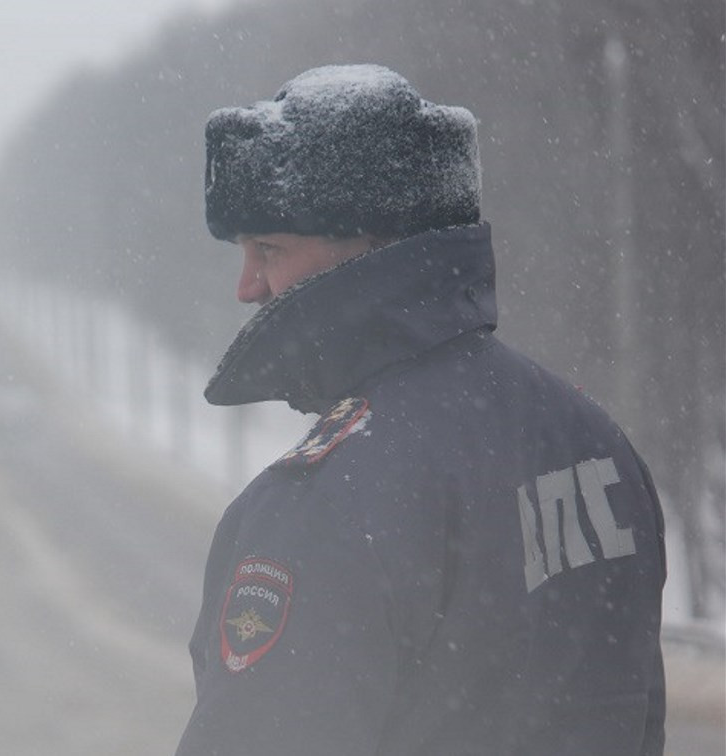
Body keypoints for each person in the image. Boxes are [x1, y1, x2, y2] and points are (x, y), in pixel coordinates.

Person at [174, 64, 666, 756]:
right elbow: (633, 711)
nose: (247, 285)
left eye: (270, 249)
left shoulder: (333, 495)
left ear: (370, 252)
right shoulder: (588, 440)